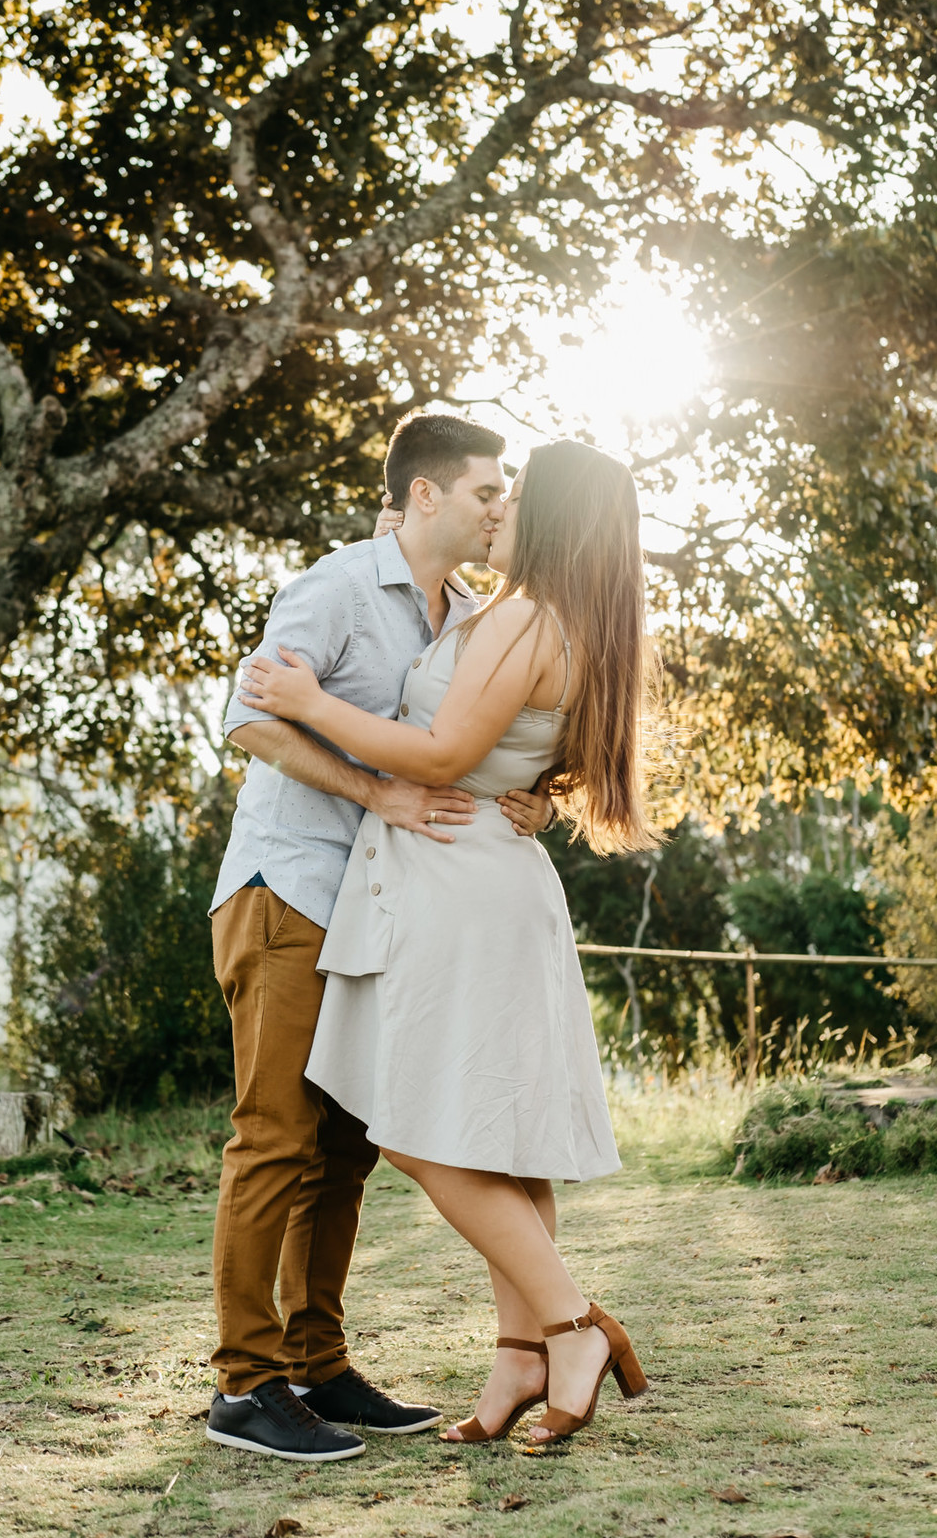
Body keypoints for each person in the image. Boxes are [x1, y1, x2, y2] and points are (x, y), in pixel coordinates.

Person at [239, 440, 656, 1449]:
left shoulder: (519, 615)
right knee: (507, 1141)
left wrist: (309, 703)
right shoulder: (570, 622)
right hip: (489, 879)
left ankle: (567, 1325)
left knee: (416, 1132)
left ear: (549, 516)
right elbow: (524, 762)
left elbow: (441, 755)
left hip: (456, 885)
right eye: (487, 490)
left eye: (515, 495)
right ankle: (520, 1360)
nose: (498, 508)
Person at [205, 412, 553, 1463]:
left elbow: (468, 746)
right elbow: (250, 717)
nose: (503, 507)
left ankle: (317, 1363)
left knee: (347, 1149)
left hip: (383, 909)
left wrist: (534, 800)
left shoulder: (471, 611)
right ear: (424, 496)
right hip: (289, 887)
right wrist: (374, 792)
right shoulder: (338, 586)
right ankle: (244, 1385)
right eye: (488, 491)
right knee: (275, 1136)